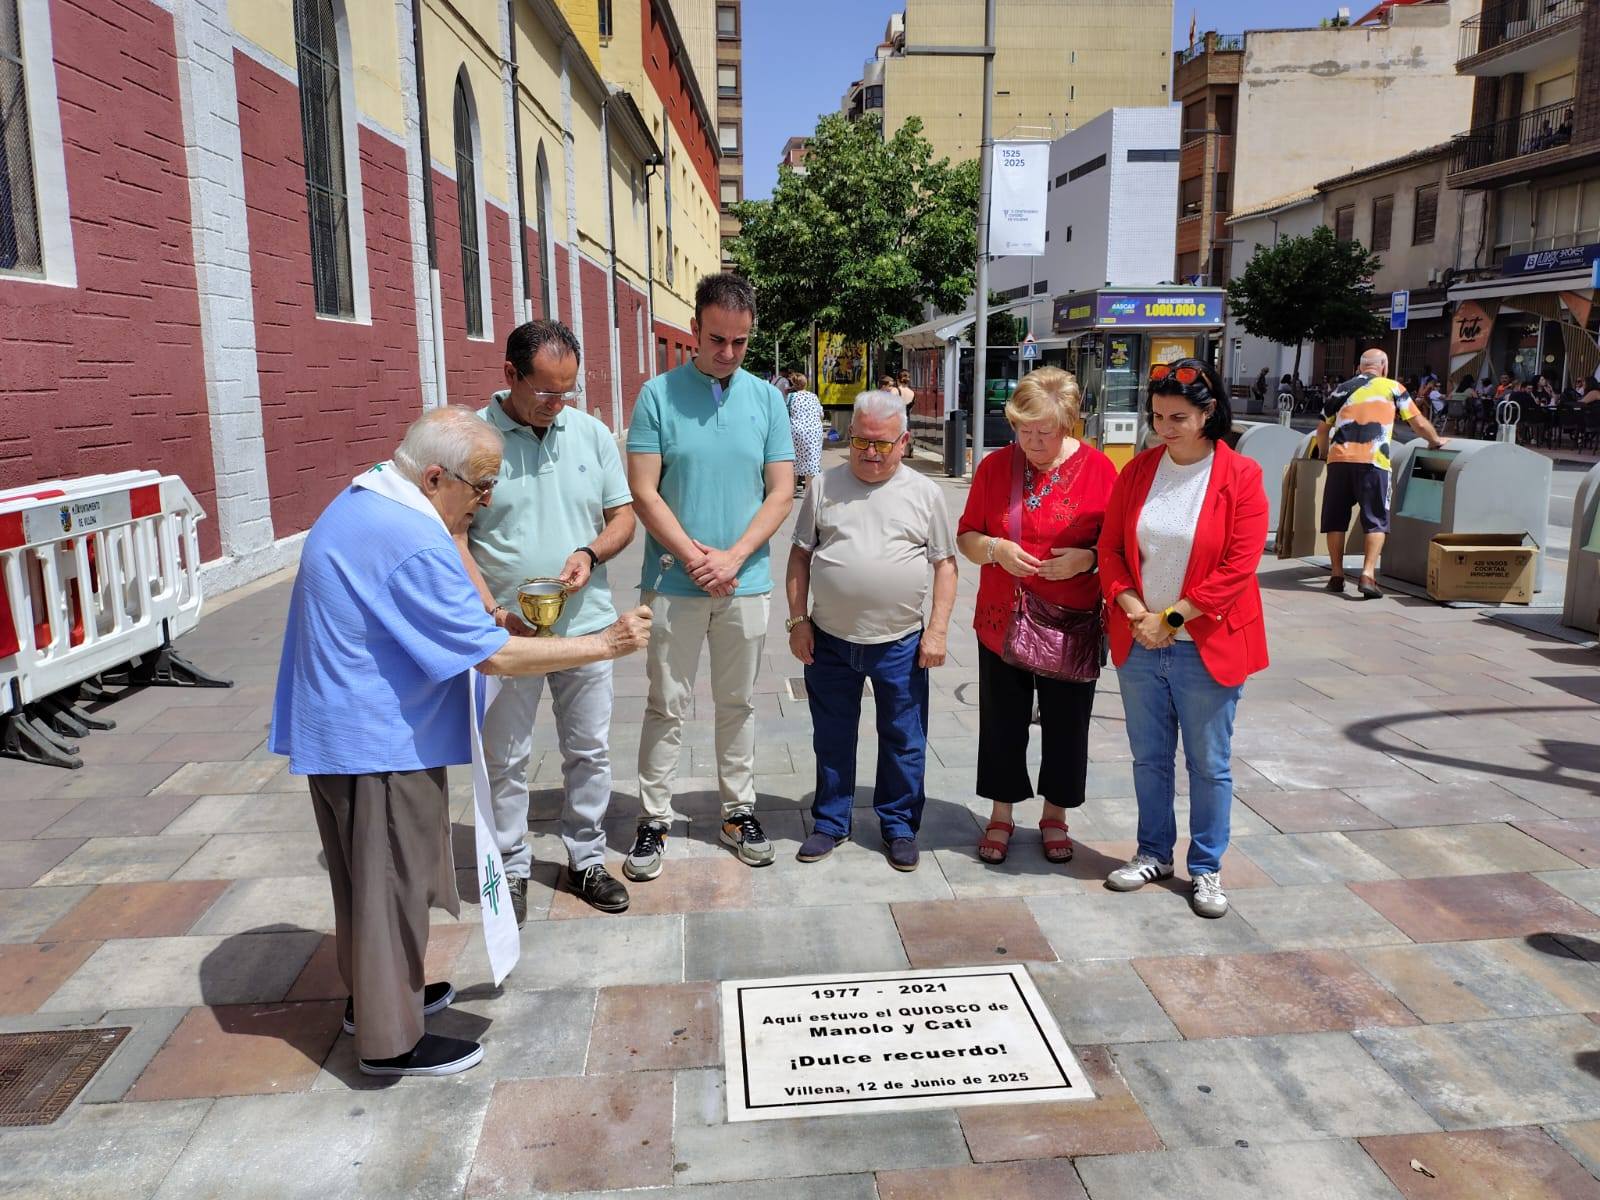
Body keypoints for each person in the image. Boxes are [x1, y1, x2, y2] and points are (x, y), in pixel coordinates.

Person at [269, 407, 651, 1077]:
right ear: (437, 475)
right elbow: (493, 657)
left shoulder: (374, 494)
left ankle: (380, 998)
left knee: (371, 884)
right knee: (389, 884)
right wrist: (604, 643)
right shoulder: (407, 533)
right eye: (479, 485)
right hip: (374, 742)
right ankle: (390, 1041)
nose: (488, 499)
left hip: (347, 729)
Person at [454, 320, 636, 923]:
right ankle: (510, 866)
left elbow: (622, 519)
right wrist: (493, 612)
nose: (558, 406)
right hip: (506, 634)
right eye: (547, 392)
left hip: (588, 627)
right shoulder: (472, 442)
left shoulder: (589, 434)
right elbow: (454, 535)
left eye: (568, 392)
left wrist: (590, 552)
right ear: (510, 375)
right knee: (505, 755)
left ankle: (585, 857)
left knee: (589, 749)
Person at [624, 273, 795, 881]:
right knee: (665, 704)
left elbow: (780, 492)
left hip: (744, 582)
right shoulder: (657, 396)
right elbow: (644, 491)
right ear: (694, 328)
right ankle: (653, 818)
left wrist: (733, 557)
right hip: (674, 581)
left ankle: (737, 809)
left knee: (738, 703)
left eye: (740, 342)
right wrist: (697, 558)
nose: (727, 353)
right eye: (717, 338)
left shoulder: (767, 400)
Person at [1097, 358, 1269, 919]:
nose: (1164, 428)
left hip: (1206, 642)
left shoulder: (1240, 476)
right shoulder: (1139, 470)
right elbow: (1111, 551)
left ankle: (1206, 866)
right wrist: (1131, 608)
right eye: (1157, 416)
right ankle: (1153, 852)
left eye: (1177, 417)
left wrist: (1169, 620)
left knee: (1208, 762)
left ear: (1208, 413)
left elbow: (1238, 567)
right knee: (1149, 759)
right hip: (1139, 640)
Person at [786, 390, 958, 872]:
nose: (870, 452)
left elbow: (946, 565)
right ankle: (830, 821)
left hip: (900, 642)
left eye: (882, 445)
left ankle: (899, 823)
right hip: (831, 640)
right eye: (861, 441)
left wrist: (938, 631)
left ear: (903, 442)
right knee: (832, 735)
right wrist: (798, 621)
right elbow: (800, 554)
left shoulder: (925, 494)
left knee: (904, 737)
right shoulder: (823, 485)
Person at [955, 368, 1116, 865]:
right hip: (1003, 617)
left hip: (1071, 620)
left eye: (1045, 431)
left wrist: (1086, 558)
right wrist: (996, 548)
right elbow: (965, 538)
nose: (1033, 441)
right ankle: (1001, 814)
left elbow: (1120, 547)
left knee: (1068, 725)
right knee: (1002, 722)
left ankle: (1055, 815)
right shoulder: (995, 468)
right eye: (1024, 429)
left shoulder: (1101, 470)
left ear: (1069, 421)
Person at [1315, 348, 1447, 599]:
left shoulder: (1341, 388)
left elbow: (1322, 430)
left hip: (1339, 461)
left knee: (1335, 519)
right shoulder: (1394, 388)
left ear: (1359, 367)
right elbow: (1417, 423)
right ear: (1384, 367)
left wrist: (1324, 455)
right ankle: (1367, 575)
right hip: (1373, 462)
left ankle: (1336, 575)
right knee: (1375, 519)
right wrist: (1435, 440)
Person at [786, 372, 825, 500]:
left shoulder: (790, 397)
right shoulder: (813, 396)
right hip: (813, 431)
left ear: (793, 384)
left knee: (794, 459)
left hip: (796, 431)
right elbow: (821, 414)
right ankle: (809, 491)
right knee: (812, 459)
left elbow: (785, 413)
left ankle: (791, 490)